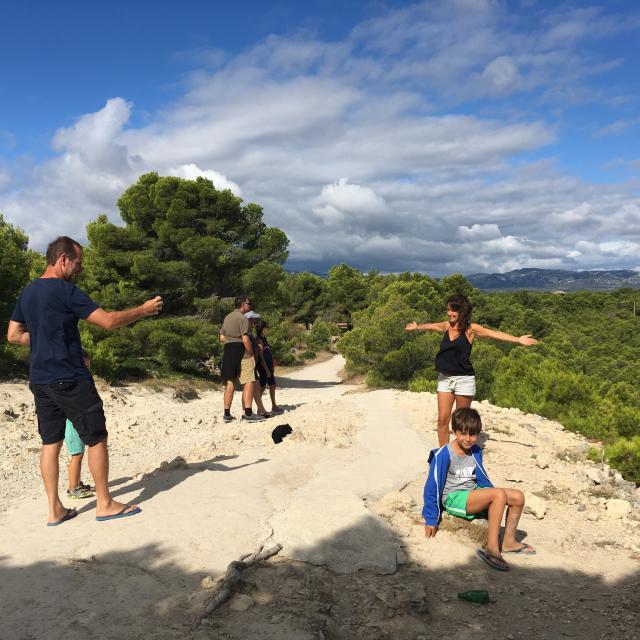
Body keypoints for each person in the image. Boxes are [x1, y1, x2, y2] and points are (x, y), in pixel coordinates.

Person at [7, 236, 163, 525]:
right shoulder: (65, 290)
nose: (80, 270)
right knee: (96, 438)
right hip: (69, 376)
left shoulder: (28, 292)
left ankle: (55, 509)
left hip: (40, 380)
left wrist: (45, 341)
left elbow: (13, 335)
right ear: (63, 259)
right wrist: (143, 310)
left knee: (50, 443)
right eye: (78, 264)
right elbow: (108, 321)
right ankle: (104, 503)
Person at [405, 293, 537, 446]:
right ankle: (444, 455)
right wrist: (417, 327)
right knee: (442, 420)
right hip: (445, 379)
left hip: (464, 380)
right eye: (448, 309)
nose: (449, 313)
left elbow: (493, 334)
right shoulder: (446, 326)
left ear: (462, 311)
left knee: (461, 422)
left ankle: (461, 455)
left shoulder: (471, 329)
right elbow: (432, 326)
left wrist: (517, 339)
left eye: (453, 310)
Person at [422, 408, 536, 572]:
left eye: (473, 435)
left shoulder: (475, 451)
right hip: (454, 498)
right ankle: (491, 548)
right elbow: (432, 486)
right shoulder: (443, 455)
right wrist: (431, 518)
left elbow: (481, 478)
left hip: (472, 492)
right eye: (463, 434)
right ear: (454, 431)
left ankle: (508, 542)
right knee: (498, 494)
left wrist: (492, 498)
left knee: (517, 496)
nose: (468, 439)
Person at [219, 296, 265, 423]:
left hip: (228, 350)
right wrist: (251, 354)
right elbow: (245, 339)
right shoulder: (243, 318)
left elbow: (221, 337)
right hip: (241, 351)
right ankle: (248, 414)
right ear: (243, 305)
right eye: (249, 303)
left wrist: (231, 340)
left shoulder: (227, 317)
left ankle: (227, 414)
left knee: (230, 383)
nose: (250, 306)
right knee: (249, 381)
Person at [65, 349, 95, 499]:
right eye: (84, 366)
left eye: (88, 367)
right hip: (72, 425)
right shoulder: (71, 381)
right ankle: (73, 487)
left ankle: (77, 482)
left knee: (78, 454)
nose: (86, 369)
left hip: (77, 424)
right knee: (76, 455)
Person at [244, 311, 271, 418]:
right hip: (249, 363)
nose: (254, 321)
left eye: (254, 319)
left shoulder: (250, 333)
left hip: (252, 364)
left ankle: (260, 410)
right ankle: (251, 411)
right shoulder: (246, 333)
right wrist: (252, 358)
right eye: (251, 319)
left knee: (254, 387)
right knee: (250, 387)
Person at [255, 319, 283, 415]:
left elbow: (267, 353)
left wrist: (273, 361)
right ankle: (259, 409)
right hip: (263, 368)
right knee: (262, 387)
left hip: (268, 367)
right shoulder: (259, 340)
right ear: (263, 329)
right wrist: (266, 369)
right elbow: (261, 356)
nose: (268, 330)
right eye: (266, 328)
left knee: (272, 385)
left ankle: (274, 406)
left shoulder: (264, 339)